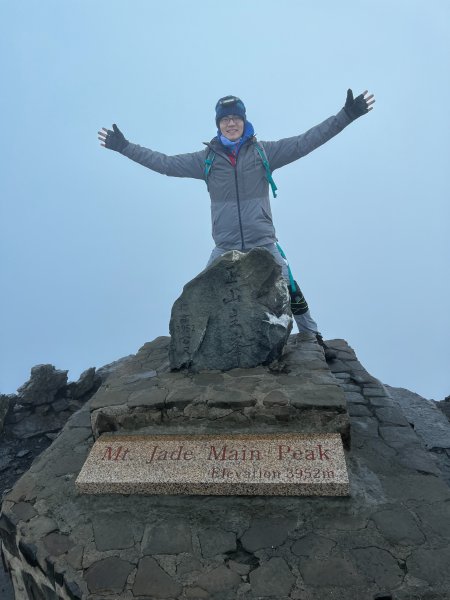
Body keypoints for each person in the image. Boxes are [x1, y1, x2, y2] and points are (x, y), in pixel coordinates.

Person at [98, 89, 375, 361]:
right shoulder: (206, 160)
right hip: (225, 247)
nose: (231, 123)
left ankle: (312, 338)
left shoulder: (264, 153)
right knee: (201, 294)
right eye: (225, 119)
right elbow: (165, 164)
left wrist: (346, 115)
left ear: (244, 121)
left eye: (235, 118)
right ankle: (191, 349)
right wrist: (124, 147)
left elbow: (306, 142)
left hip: (263, 241)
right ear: (218, 124)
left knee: (290, 286)